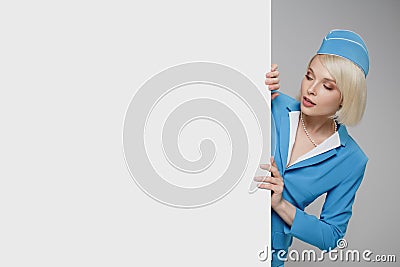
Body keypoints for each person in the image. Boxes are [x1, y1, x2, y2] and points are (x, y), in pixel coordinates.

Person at [254, 29, 369, 266]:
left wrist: (280, 204)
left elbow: (331, 236)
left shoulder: (352, 160)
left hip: (265, 256)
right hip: (217, 228)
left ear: (345, 98)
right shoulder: (271, 102)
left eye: (327, 86)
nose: (311, 89)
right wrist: (253, 78)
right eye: (309, 76)